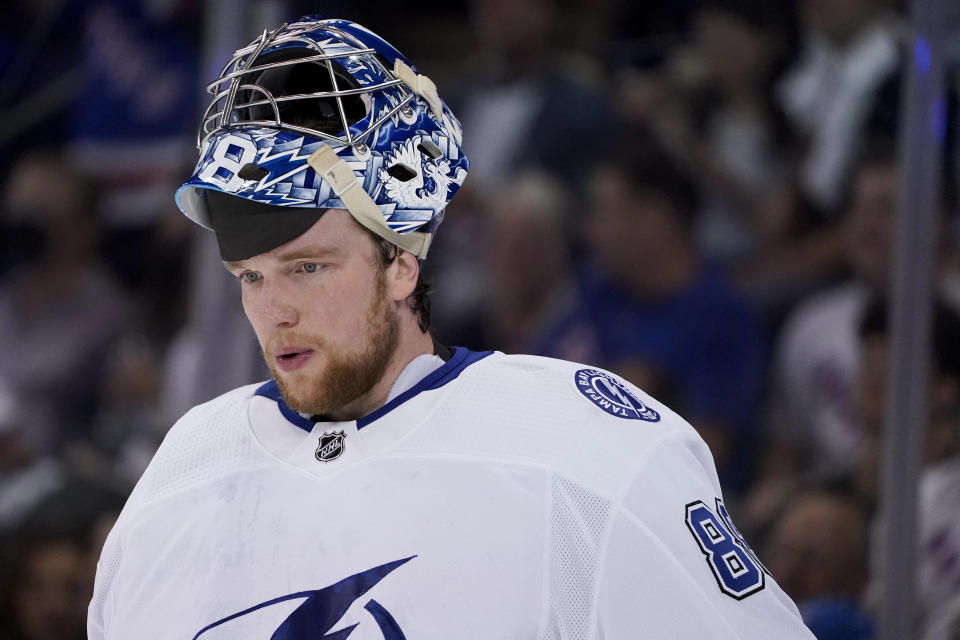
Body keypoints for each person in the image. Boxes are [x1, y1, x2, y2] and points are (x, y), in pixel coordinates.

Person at [88, 17, 814, 638]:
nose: (274, 311)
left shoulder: (582, 448)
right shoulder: (184, 470)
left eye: (308, 267)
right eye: (251, 275)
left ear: (401, 264)